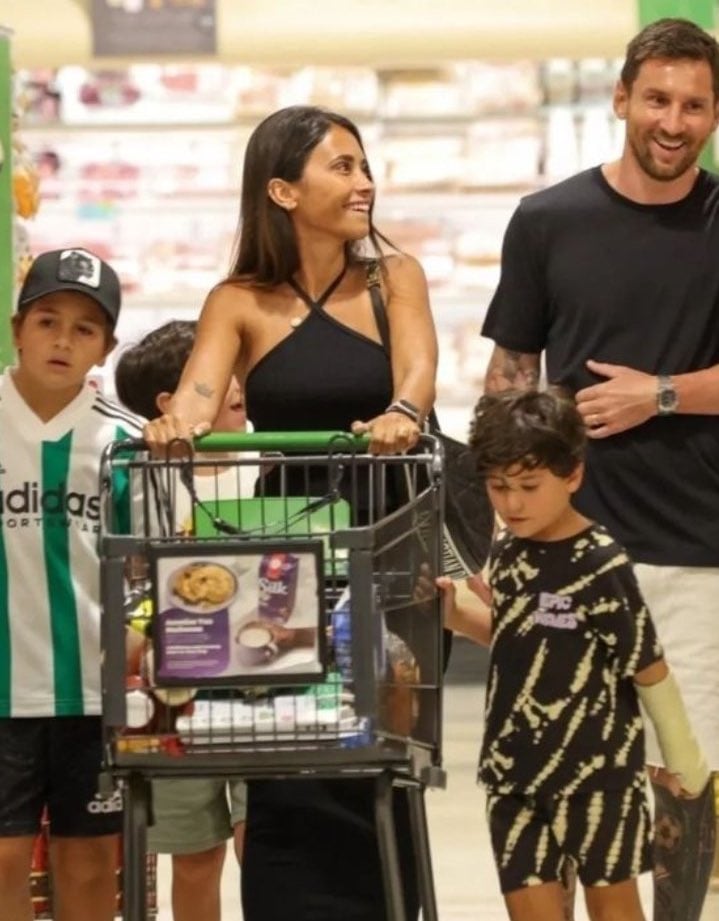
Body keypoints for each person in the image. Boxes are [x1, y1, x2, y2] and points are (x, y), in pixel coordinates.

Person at [142, 105, 438, 921]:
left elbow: (416, 372)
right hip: (289, 551)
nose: (363, 183)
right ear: (281, 188)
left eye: (363, 165)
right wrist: (176, 425)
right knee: (283, 743)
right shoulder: (238, 298)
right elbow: (201, 396)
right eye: (341, 167)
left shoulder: (393, 277)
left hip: (385, 536)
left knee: (378, 750)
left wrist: (401, 414)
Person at [480, 18, 719, 920]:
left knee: (682, 778)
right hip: (562, 549)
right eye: (656, 98)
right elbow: (509, 377)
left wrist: (657, 394)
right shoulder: (546, 221)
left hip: (693, 546)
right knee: (566, 766)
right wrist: (493, 525)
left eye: (693, 105)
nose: (672, 120)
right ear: (621, 98)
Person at [438, 390, 709, 921]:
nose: (512, 504)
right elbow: (519, 636)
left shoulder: (602, 563)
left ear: (573, 476)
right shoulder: (508, 555)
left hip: (599, 778)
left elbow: (648, 667)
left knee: (613, 909)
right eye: (498, 487)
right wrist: (452, 615)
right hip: (513, 775)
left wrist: (685, 762)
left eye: (529, 487)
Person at [0, 247, 142, 921]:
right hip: (3, 692)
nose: (62, 339)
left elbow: (155, 565)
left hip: (92, 689)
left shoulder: (124, 441)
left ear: (105, 348)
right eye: (48, 319)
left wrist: (138, 635)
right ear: (16, 328)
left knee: (88, 864)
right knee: (3, 859)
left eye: (84, 328)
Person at [114, 319, 253, 921]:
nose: (235, 386)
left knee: (265, 842)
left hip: (264, 686)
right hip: (173, 690)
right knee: (195, 855)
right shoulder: (148, 480)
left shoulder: (273, 461)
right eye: (216, 377)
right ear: (170, 404)